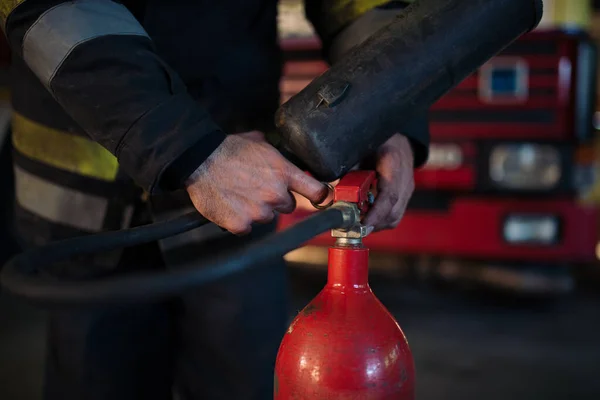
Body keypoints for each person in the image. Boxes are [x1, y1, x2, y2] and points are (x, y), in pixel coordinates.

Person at [1, 0, 428, 399]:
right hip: (86, 219)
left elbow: (359, 7)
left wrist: (387, 109)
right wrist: (189, 150)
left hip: (239, 205)